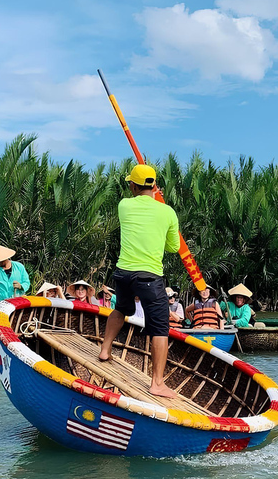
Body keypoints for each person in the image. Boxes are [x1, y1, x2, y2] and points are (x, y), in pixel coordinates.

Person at [98, 164, 180, 398]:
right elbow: (174, 247)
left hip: (123, 273)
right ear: (155, 186)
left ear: (133, 186)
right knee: (160, 327)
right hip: (149, 276)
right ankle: (157, 384)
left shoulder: (124, 205)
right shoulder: (167, 212)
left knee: (121, 308)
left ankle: (105, 350)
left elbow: (139, 204)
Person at [0, 244, 31, 309]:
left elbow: (27, 282)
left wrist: (21, 286)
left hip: (18, 302)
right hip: (1, 303)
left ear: (6, 258)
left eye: (0, 260)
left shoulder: (19, 267)